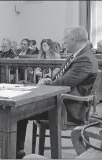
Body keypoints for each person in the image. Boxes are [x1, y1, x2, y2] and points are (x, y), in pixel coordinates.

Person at [16, 25, 98, 159]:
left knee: (19, 111)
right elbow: (63, 79)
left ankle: (17, 154)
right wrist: (49, 80)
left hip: (67, 109)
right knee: (21, 107)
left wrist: (45, 85)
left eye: (65, 39)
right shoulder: (81, 55)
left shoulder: (85, 59)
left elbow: (65, 83)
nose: (63, 41)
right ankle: (17, 152)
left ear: (72, 40)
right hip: (64, 102)